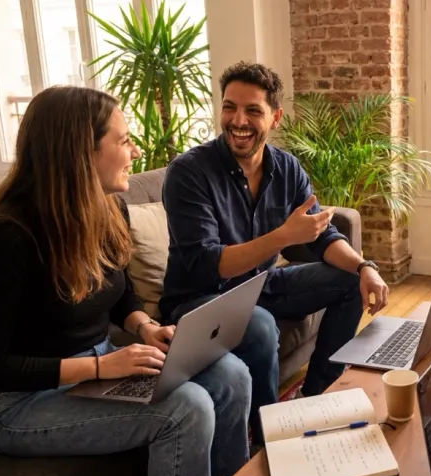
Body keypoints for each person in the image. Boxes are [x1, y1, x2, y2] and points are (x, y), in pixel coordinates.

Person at [0, 86, 252, 476]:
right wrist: (100, 366)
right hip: (21, 403)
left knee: (231, 375)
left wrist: (145, 327)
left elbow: (120, 294)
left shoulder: (107, 208)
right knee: (186, 408)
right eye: (123, 141)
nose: (135, 152)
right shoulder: (6, 238)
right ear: (81, 154)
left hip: (99, 365)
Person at [159, 61, 389, 419]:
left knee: (348, 279)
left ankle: (316, 396)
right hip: (201, 299)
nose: (238, 120)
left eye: (253, 111)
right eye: (229, 107)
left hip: (260, 284)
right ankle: (268, 429)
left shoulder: (286, 168)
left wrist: (364, 267)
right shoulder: (189, 173)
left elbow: (323, 234)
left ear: (275, 117)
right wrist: (283, 235)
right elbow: (208, 263)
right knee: (262, 326)